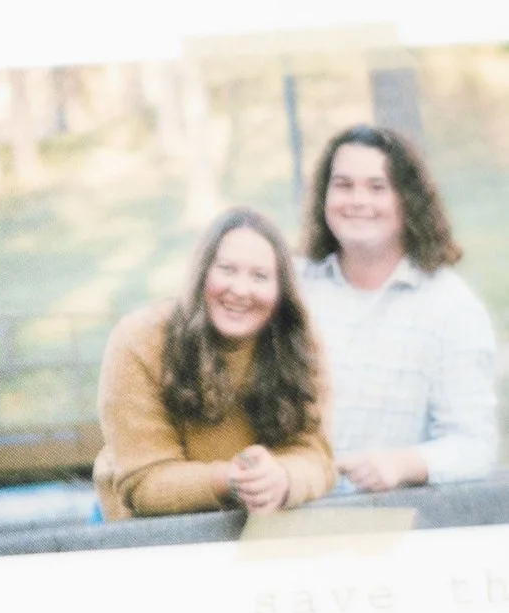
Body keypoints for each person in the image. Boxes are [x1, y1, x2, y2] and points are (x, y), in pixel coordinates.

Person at [95, 208, 338, 519]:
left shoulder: (298, 341)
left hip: (259, 525)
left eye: (260, 276)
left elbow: (316, 456)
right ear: (201, 273)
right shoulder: (140, 340)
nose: (240, 290)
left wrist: (282, 476)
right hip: (146, 529)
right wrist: (231, 480)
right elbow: (145, 481)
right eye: (226, 270)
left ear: (281, 290)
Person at [299, 123, 500, 490]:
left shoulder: (452, 308)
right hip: (289, 509)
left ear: (409, 199)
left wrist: (402, 464)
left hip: (397, 513)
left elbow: (474, 446)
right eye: (343, 185)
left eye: (378, 187)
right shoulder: (294, 287)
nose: (358, 200)